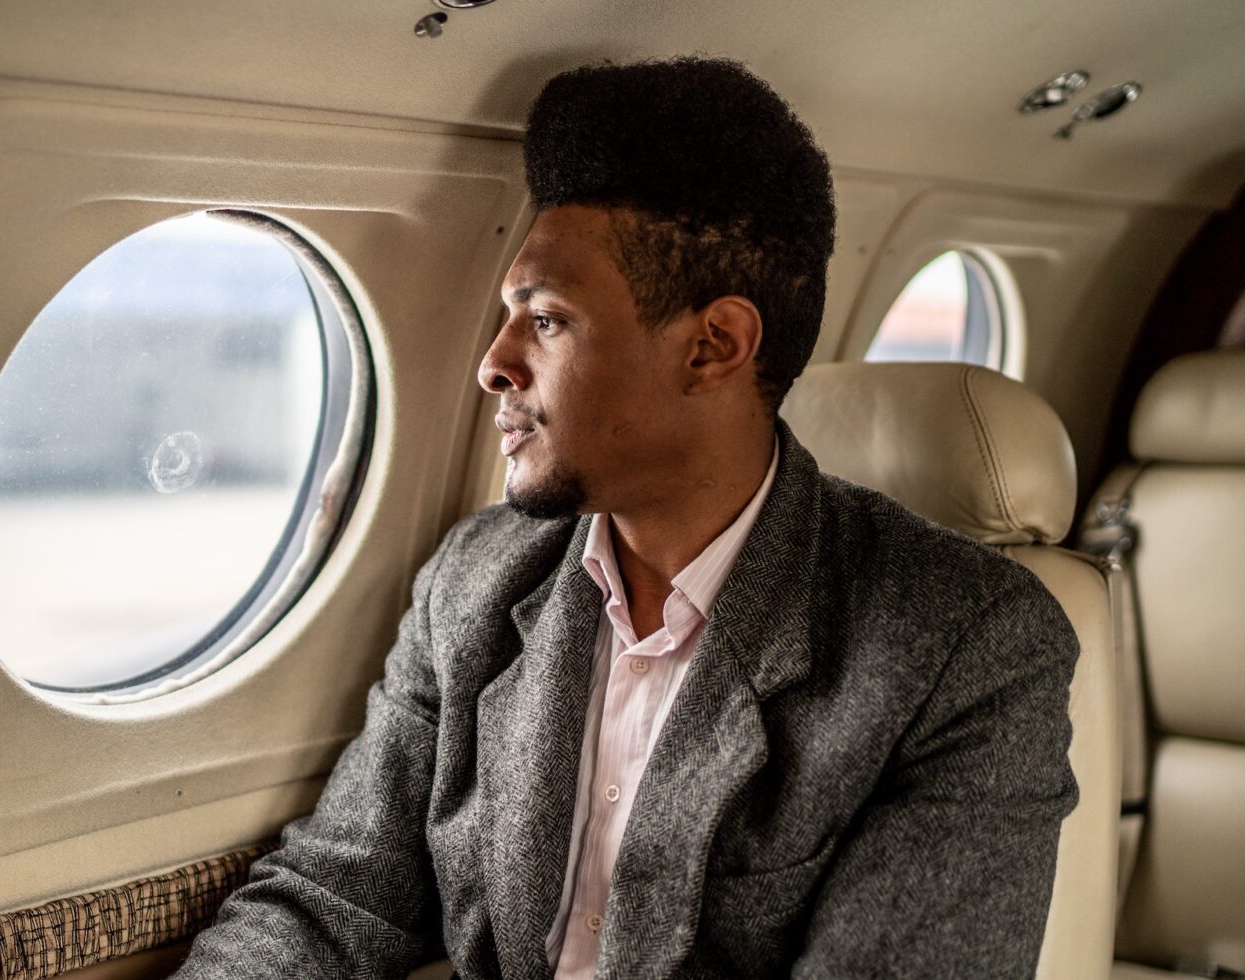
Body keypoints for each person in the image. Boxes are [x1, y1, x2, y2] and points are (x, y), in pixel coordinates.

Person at [175, 57, 1078, 979]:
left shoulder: (966, 645)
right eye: (506, 316)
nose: (494, 363)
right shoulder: (478, 580)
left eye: (548, 321)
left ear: (713, 346)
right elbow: (338, 895)